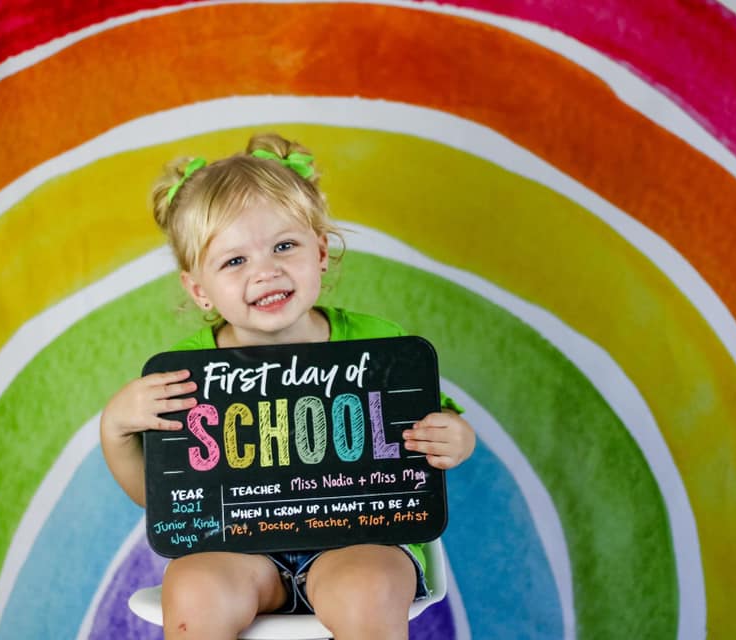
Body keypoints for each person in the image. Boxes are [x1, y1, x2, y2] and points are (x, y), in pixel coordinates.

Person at [100, 133, 476, 640]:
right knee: (191, 587)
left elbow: (438, 428)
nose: (267, 271)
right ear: (199, 288)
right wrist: (116, 429)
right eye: (235, 261)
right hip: (241, 552)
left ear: (320, 251)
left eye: (284, 246)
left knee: (369, 585)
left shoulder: (380, 344)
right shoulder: (186, 373)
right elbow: (162, 497)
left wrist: (454, 437)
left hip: (358, 541)